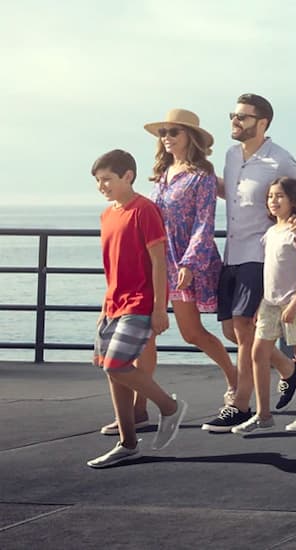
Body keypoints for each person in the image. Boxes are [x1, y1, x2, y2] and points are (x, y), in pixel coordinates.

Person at [95, 109, 236, 437]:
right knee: (145, 340)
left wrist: (189, 262)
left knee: (192, 333)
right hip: (153, 263)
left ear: (190, 137)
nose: (167, 138)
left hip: (185, 262)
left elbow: (205, 222)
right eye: (163, 133)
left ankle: (235, 380)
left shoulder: (201, 176)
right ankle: (139, 410)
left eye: (174, 132)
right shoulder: (160, 174)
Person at [203, 93, 296, 432]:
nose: (235, 122)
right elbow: (233, 194)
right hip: (231, 253)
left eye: (243, 117)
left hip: (259, 254)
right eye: (233, 116)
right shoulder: (231, 155)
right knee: (232, 330)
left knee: (242, 332)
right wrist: (199, 177)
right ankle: (286, 368)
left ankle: (240, 405)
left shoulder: (280, 160)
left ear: (262, 122)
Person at [88, 149, 188, 468]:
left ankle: (169, 407)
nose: (102, 186)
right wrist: (105, 307)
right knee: (112, 373)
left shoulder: (144, 210)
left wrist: (161, 308)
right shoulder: (108, 215)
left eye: (107, 179)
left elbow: (159, 262)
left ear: (127, 176)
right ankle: (127, 444)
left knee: (116, 366)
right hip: (113, 304)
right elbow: (112, 268)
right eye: (98, 181)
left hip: (140, 303)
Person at [233, 177, 296, 434]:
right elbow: (270, 272)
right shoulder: (271, 232)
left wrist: (295, 304)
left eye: (279, 196)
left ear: (293, 200)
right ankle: (263, 415)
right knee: (257, 354)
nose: (273, 201)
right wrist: (259, 304)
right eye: (270, 196)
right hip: (270, 304)